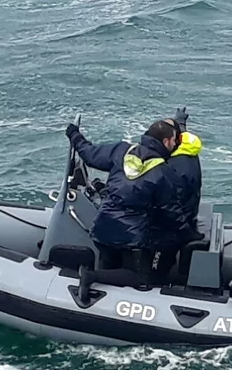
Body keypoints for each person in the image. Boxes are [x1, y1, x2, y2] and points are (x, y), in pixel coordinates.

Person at [64, 117, 203, 285]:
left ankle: (97, 285)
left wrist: (75, 135)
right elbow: (171, 212)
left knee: (109, 264)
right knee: (141, 277)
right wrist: (188, 233)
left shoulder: (121, 151)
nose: (175, 145)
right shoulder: (164, 173)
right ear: (165, 141)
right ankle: (91, 277)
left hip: (102, 228)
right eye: (174, 140)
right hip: (130, 236)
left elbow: (90, 154)